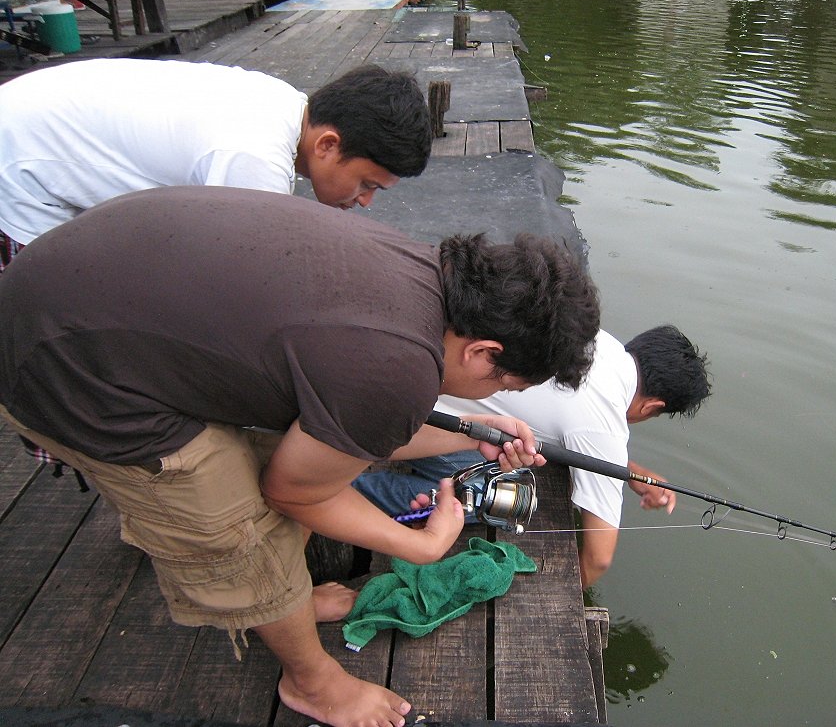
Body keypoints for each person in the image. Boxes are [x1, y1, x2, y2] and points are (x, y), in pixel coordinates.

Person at [0, 185, 600, 727]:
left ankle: (262, 586)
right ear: (484, 351)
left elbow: (354, 426)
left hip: (66, 291)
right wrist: (420, 545)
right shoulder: (394, 366)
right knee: (241, 526)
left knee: (279, 467)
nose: (501, 397)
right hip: (60, 370)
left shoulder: (417, 268)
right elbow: (289, 491)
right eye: (511, 386)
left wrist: (473, 430)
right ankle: (312, 684)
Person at [354, 326, 711, 588]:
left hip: (421, 394)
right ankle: (356, 493)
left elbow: (571, 428)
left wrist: (628, 472)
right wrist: (567, 599)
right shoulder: (604, 428)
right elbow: (599, 559)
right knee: (506, 499)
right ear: (653, 406)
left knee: (520, 466)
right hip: (425, 428)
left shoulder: (599, 341)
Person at [0, 58, 432, 269]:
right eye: (365, 184)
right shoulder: (253, 156)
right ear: (328, 145)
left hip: (37, 120)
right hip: (21, 165)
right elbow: (246, 272)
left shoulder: (283, 105)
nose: (365, 202)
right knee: (53, 327)